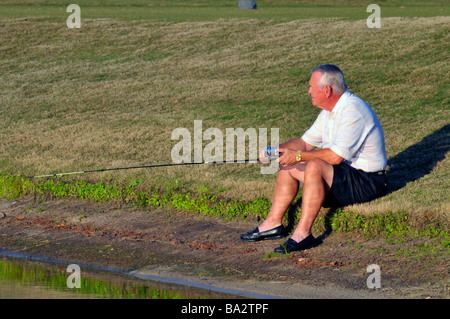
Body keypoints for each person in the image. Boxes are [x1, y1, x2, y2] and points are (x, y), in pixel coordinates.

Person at [240, 64, 388, 254]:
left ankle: (303, 233)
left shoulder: (353, 111)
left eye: (312, 87)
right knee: (288, 164)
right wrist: (275, 150)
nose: (309, 91)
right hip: (345, 175)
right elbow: (305, 142)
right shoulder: (329, 112)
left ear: (327, 90)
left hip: (369, 181)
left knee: (314, 165)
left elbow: (335, 157)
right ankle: (272, 224)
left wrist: (299, 156)